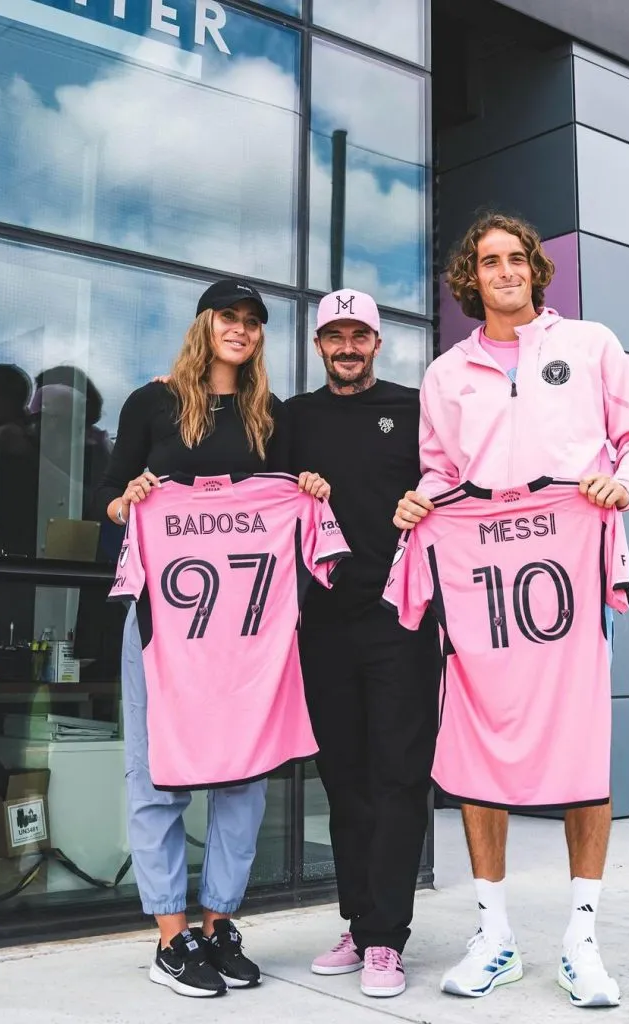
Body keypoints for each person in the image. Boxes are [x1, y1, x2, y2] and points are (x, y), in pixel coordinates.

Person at [394, 212, 629, 1008]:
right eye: (488, 261)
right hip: (480, 579)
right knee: (482, 746)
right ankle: (494, 934)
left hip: (572, 571)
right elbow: (439, 471)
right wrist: (420, 504)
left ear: (534, 270)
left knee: (581, 749)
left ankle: (581, 938)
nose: (505, 271)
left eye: (516, 259)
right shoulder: (446, 375)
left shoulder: (590, 346)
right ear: (467, 279)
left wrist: (626, 486)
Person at [96, 277, 329, 999]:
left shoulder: (269, 417)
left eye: (253, 321)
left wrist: (310, 488)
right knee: (156, 775)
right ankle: (171, 934)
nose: (241, 329)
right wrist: (130, 498)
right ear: (204, 324)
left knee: (242, 779)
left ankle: (219, 921)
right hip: (163, 625)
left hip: (246, 633)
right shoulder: (153, 402)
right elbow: (106, 500)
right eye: (228, 317)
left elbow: (287, 495)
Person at [285, 290, 440, 999]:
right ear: (319, 344)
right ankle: (357, 922)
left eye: (359, 335)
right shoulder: (293, 419)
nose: (346, 346)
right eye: (333, 335)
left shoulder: (416, 409)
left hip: (399, 619)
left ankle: (386, 940)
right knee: (343, 780)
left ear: (377, 342)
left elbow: (457, 479)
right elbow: (250, 482)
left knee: (398, 776)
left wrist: (427, 500)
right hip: (322, 624)